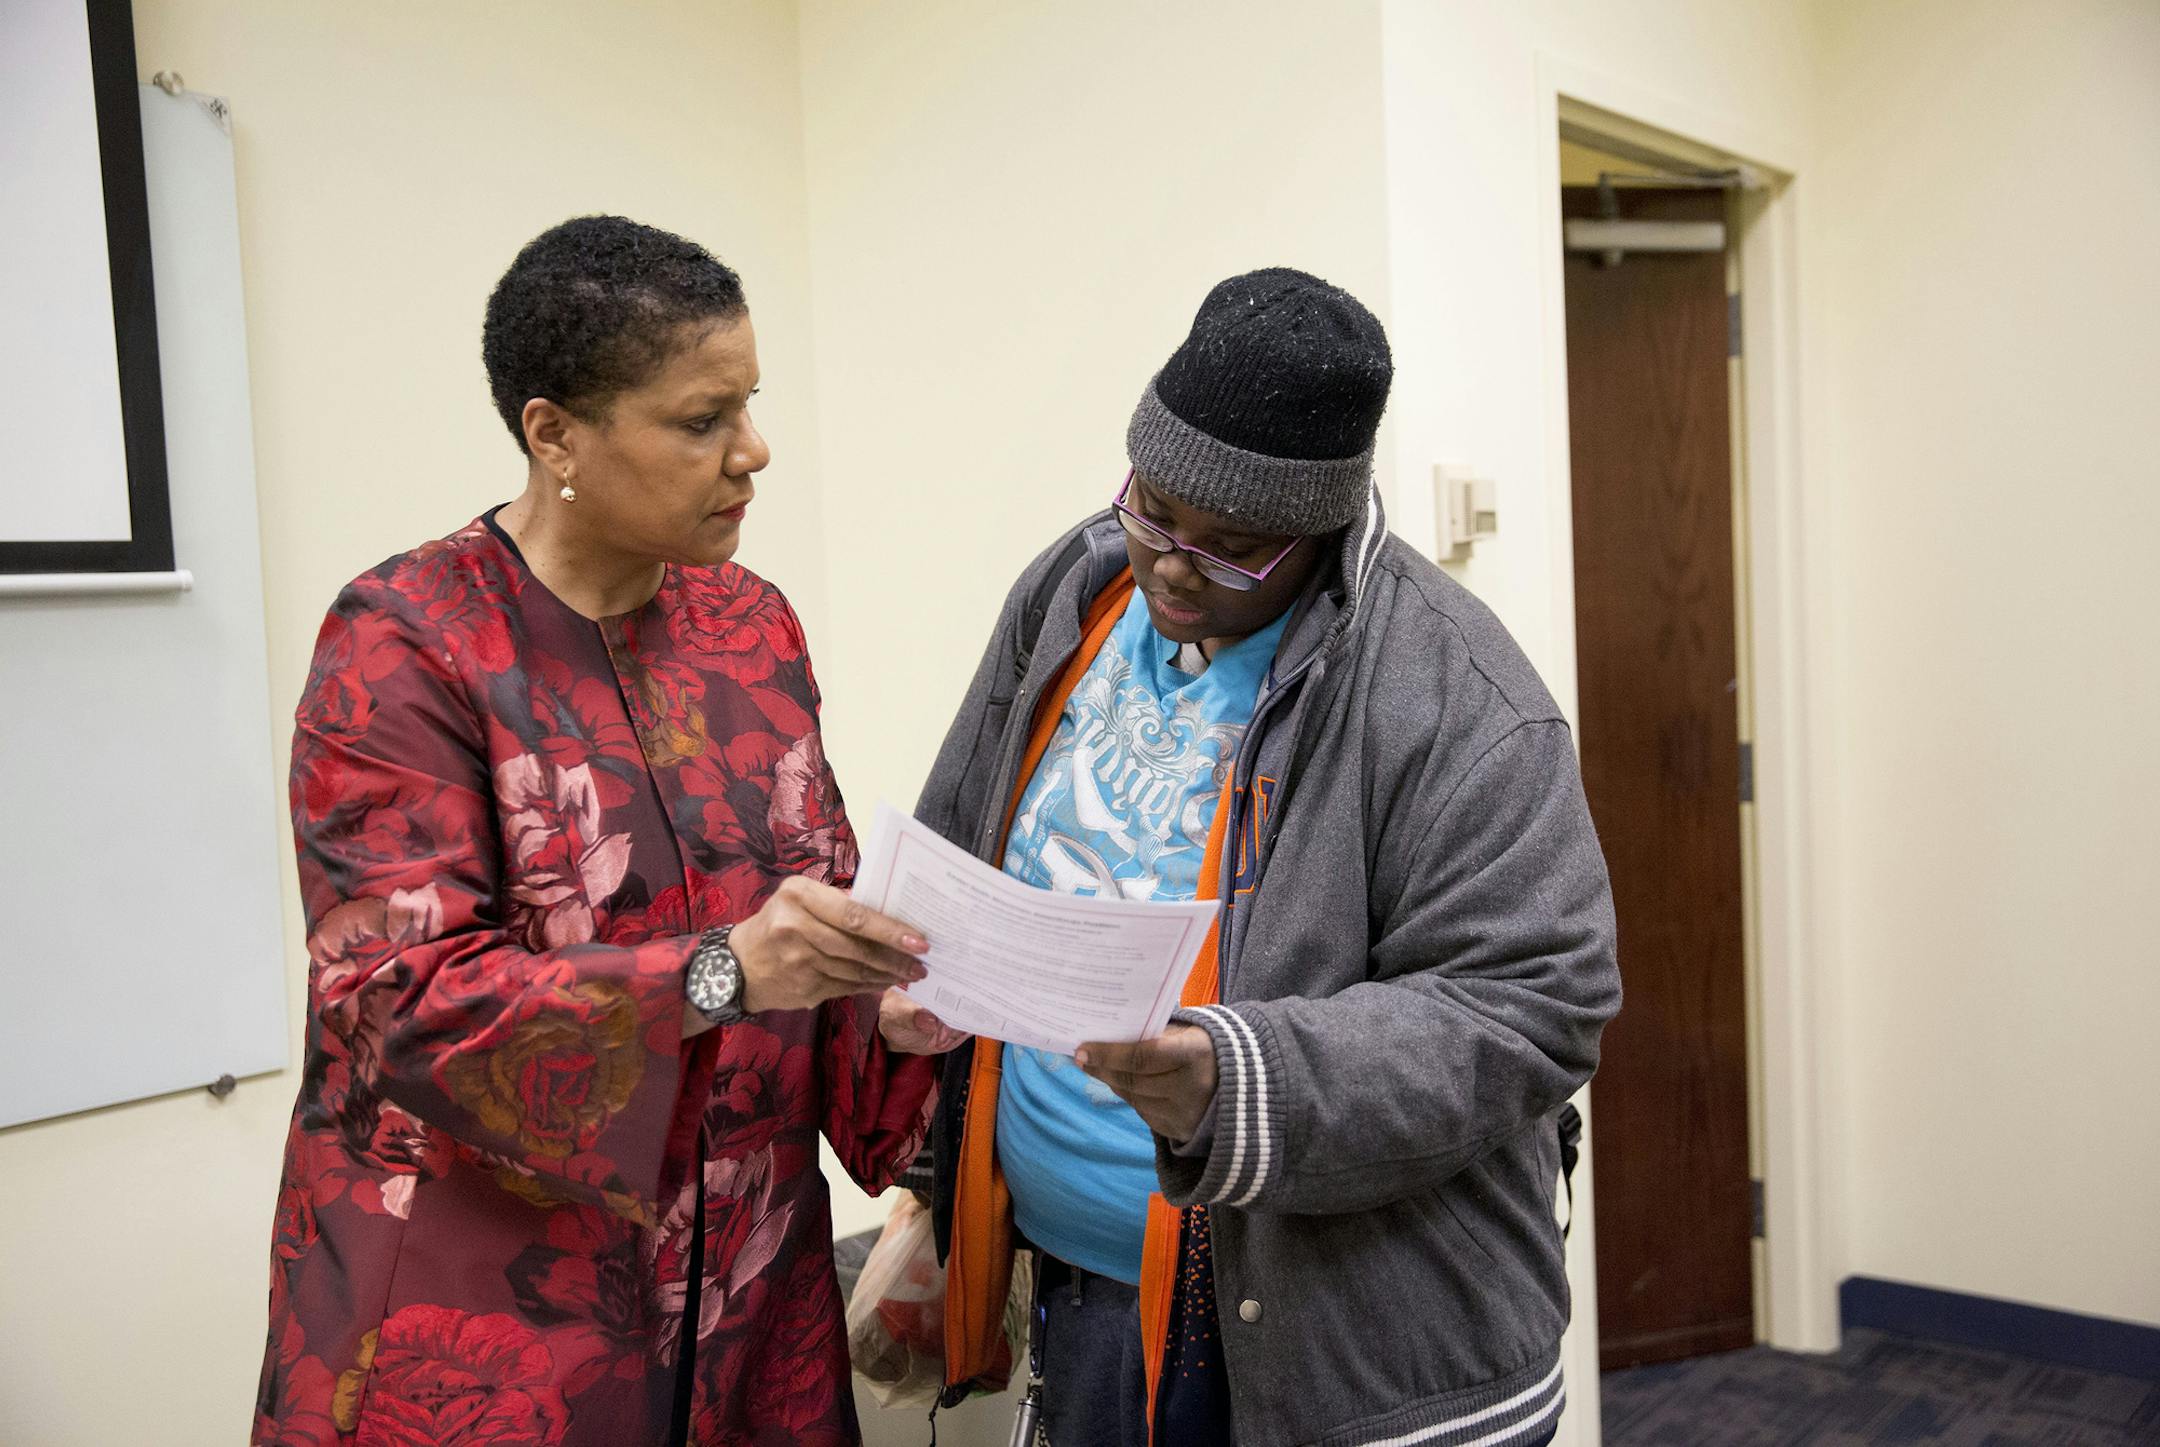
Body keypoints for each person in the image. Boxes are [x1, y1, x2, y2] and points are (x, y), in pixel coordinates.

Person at [253, 215, 961, 1447]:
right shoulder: (406, 641)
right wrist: (725, 970)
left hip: (749, 1301)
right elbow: (395, 1001)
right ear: (555, 432)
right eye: (702, 421)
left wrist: (917, 1044)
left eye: (749, 404)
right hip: (493, 1322)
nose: (754, 451)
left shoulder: (752, 627)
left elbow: (818, 923)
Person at [916, 269, 1621, 1447]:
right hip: (1086, 1295)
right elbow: (961, 855)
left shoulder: (1458, 696)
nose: (1174, 567)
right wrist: (925, 1150)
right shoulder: (1074, 587)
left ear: (1324, 529)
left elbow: (1539, 1004)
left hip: (1348, 1344)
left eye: (1235, 547)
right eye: (1154, 509)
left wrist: (1234, 1081)